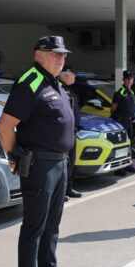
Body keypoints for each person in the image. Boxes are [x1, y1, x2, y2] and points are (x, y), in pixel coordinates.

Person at [0, 36, 78, 267]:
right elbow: (6, 125)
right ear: (38, 55)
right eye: (54, 54)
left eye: (62, 55)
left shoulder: (54, 83)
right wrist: (13, 156)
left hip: (59, 163)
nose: (60, 58)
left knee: (52, 225)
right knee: (34, 226)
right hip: (40, 165)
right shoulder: (30, 81)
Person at [60, 64, 82, 200]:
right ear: (66, 74)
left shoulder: (69, 90)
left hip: (72, 132)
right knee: (63, 163)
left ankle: (68, 188)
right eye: (73, 74)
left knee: (70, 162)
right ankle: (61, 192)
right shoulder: (59, 88)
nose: (75, 77)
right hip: (63, 133)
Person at [111, 70, 135, 174]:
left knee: (129, 144)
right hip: (122, 122)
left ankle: (127, 164)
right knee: (120, 145)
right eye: (127, 78)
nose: (129, 80)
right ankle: (118, 168)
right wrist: (117, 119)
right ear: (123, 80)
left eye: (130, 78)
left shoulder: (130, 92)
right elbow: (113, 108)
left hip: (129, 121)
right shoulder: (120, 92)